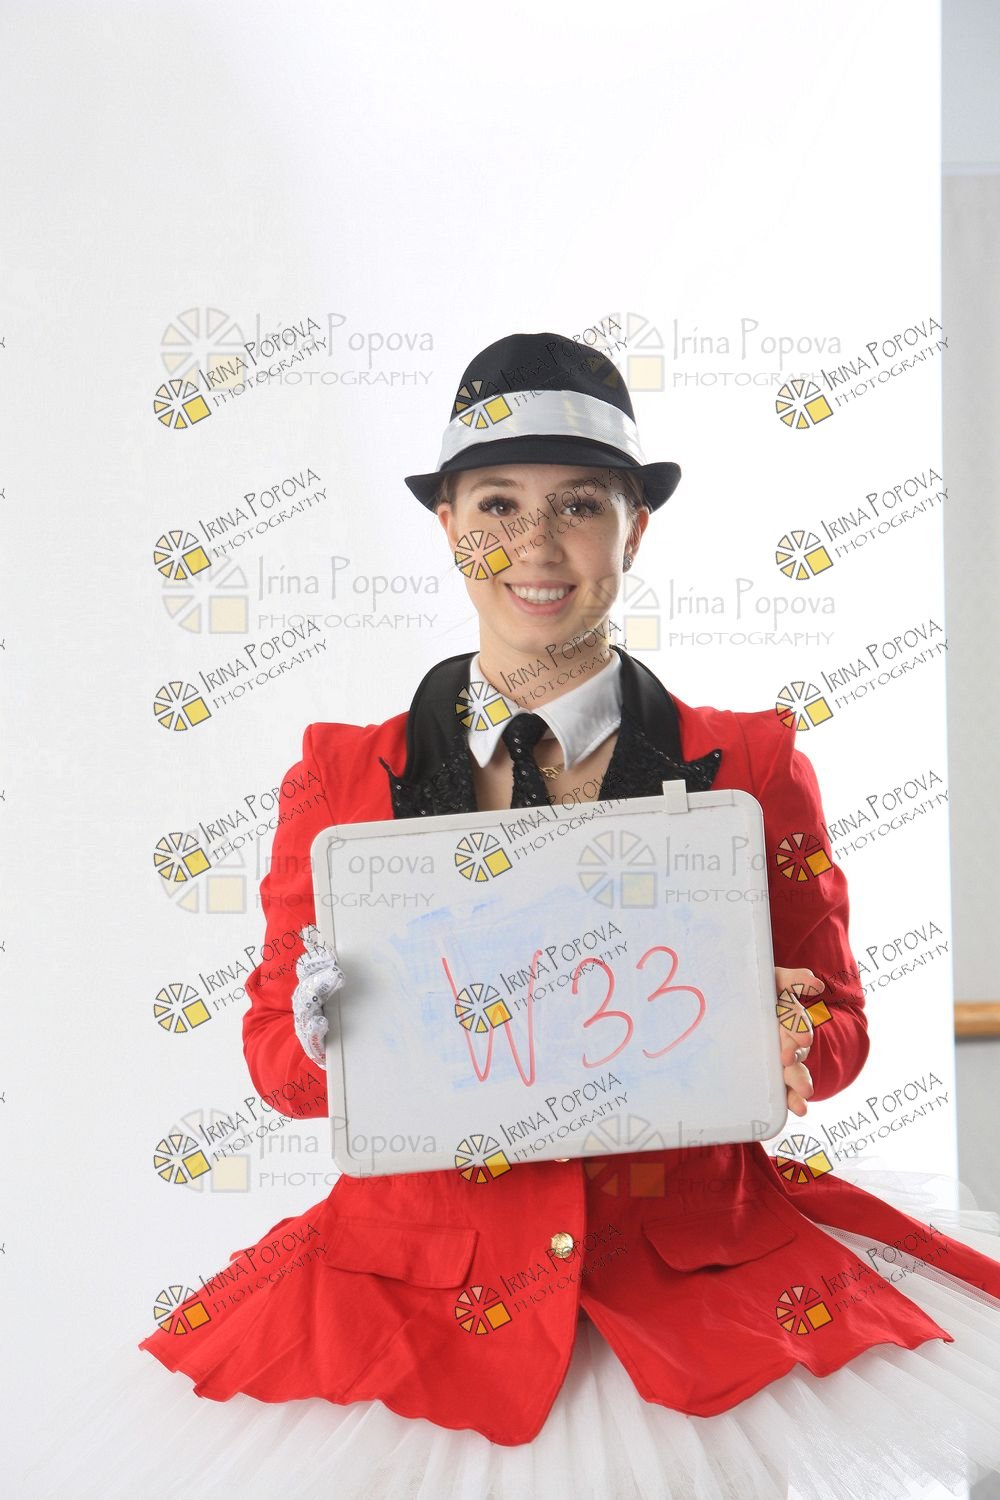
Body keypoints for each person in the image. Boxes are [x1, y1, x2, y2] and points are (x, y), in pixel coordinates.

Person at [37, 335, 1000, 1500]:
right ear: (449, 527)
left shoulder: (750, 760)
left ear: (634, 531)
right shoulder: (340, 774)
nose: (536, 546)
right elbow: (278, 1072)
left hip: (689, 1292)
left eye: (579, 505)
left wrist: (791, 1032)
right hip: (417, 1299)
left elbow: (837, 1028)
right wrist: (323, 1031)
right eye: (498, 504)